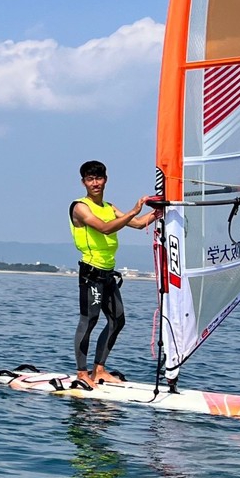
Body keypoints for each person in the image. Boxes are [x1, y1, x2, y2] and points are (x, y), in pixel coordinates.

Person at [69, 159, 157, 386]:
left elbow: (138, 224)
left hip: (108, 275)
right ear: (83, 182)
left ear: (105, 180)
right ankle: (81, 372)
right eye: (90, 179)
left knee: (118, 321)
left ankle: (99, 369)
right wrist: (133, 211)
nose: (95, 183)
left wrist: (161, 211)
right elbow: (105, 227)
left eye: (98, 178)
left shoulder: (109, 207)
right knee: (89, 321)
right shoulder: (80, 207)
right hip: (90, 273)